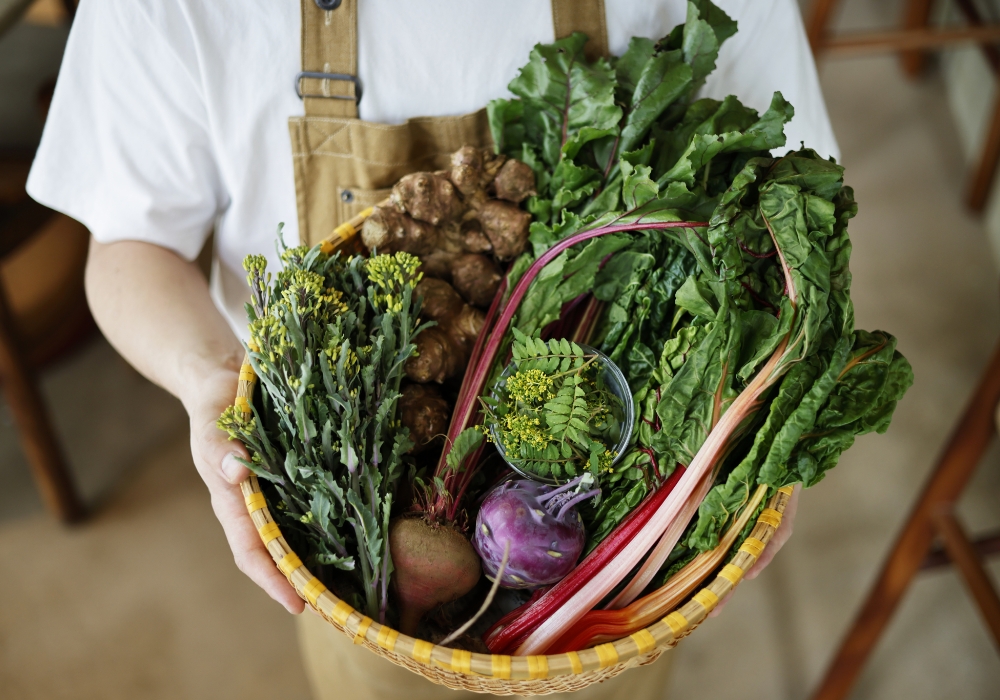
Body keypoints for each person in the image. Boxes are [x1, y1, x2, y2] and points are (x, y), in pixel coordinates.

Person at [28, 1, 825, 698]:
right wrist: (211, 383)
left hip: (596, 621)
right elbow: (130, 241)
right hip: (351, 552)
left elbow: (780, 216)